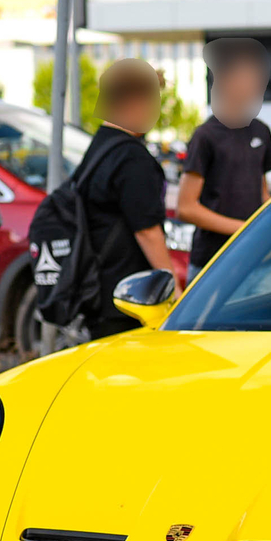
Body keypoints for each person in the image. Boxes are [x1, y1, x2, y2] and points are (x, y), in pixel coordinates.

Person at [73, 58, 174, 339]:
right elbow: (147, 231)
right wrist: (171, 287)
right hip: (130, 298)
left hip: (99, 290)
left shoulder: (99, 147)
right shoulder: (131, 157)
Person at [175, 38, 271, 273]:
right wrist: (243, 228)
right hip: (212, 262)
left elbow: (262, 193)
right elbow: (186, 207)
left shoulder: (262, 131)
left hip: (255, 259)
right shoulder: (205, 136)